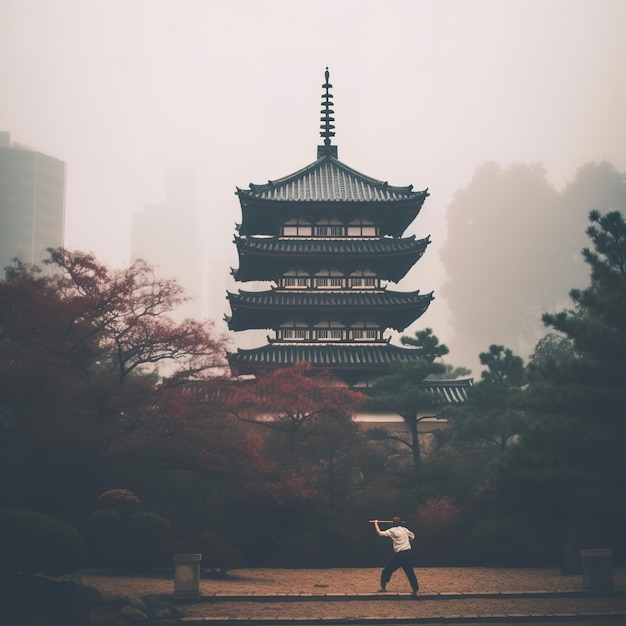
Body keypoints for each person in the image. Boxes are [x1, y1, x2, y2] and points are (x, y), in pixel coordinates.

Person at [373, 517, 419, 596]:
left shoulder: (392, 530)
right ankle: (415, 589)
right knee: (410, 572)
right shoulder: (404, 529)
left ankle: (383, 587)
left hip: (400, 555)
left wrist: (376, 524)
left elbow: (380, 533)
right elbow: (413, 536)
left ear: (393, 523)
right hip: (407, 554)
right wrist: (407, 539)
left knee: (386, 571)